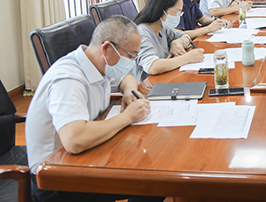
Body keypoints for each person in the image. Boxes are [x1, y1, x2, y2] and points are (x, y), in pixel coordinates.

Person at [25, 16, 164, 202]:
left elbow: (126, 78)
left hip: (87, 155)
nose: (132, 62)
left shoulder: (98, 62)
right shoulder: (68, 80)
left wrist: (129, 91)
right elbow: (75, 140)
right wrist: (128, 117)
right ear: (106, 48)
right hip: (56, 176)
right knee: (154, 183)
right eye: (131, 56)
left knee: (151, 163)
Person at [133, 0, 204, 82]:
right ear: (161, 10)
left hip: (164, 79)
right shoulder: (142, 33)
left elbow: (185, 36)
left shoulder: (162, 27)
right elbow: (152, 66)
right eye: (177, 11)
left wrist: (177, 43)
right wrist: (187, 58)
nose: (178, 16)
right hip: (148, 85)